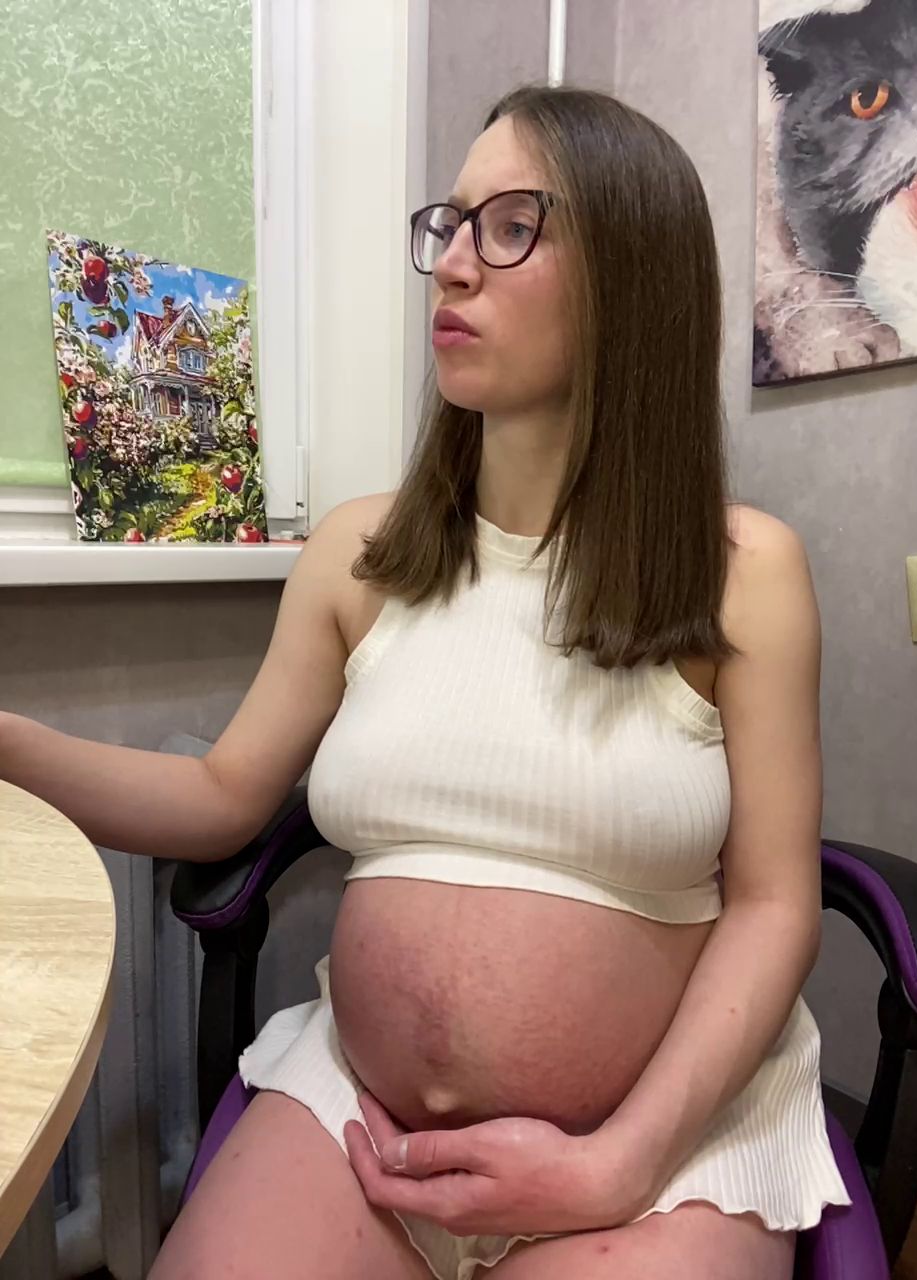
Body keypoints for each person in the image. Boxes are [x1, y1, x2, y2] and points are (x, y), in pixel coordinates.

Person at [1, 85, 850, 1279]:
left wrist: (618, 1160)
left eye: (511, 227)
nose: (451, 264)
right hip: (363, 1121)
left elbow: (773, 905)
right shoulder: (361, 552)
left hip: (657, 1158)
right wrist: (7, 739)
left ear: (632, 273)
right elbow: (220, 796)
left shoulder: (743, 572)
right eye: (450, 225)